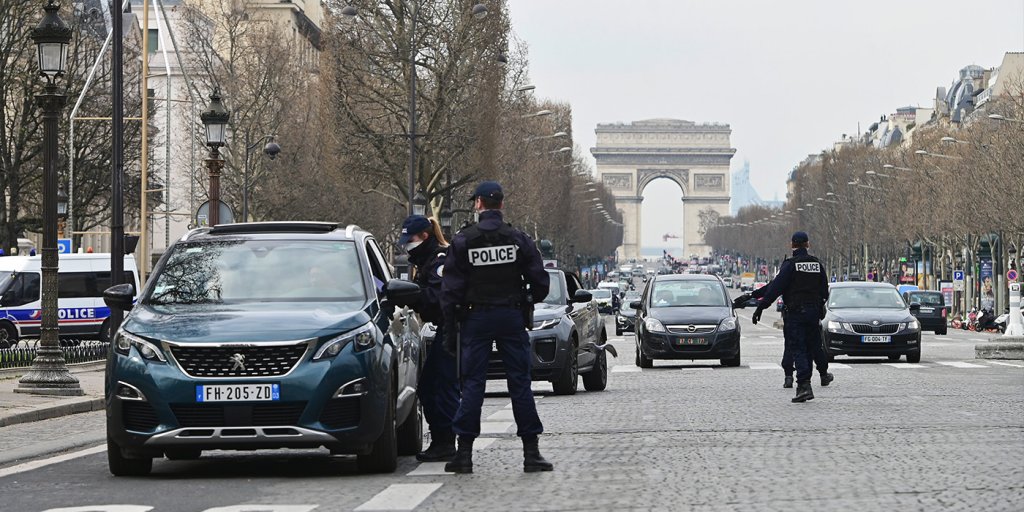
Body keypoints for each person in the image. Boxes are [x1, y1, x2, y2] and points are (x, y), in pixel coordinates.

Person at [441, 181, 552, 474]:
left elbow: (450, 291)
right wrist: (526, 299)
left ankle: (464, 453)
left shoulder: (464, 240)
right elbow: (541, 282)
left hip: (475, 317)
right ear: (501, 204)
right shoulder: (518, 239)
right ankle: (531, 453)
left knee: (473, 384)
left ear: (478, 204)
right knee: (520, 383)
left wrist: (450, 330)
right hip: (510, 316)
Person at [734, 231, 831, 402]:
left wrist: (761, 307)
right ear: (808, 244)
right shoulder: (817, 264)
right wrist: (817, 304)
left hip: (796, 313)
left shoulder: (790, 265)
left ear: (792, 245)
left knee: (798, 348)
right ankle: (816, 377)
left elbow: (774, 288)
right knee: (813, 348)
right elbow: (825, 290)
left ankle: (804, 386)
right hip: (813, 312)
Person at [396, 215, 460, 462]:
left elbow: (438, 297)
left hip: (456, 327)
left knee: (440, 386)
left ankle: (447, 442)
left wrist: (415, 297)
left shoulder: (439, 261)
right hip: (448, 328)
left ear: (424, 236)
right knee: (434, 386)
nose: (406, 245)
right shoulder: (428, 259)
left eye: (409, 239)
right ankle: (444, 440)